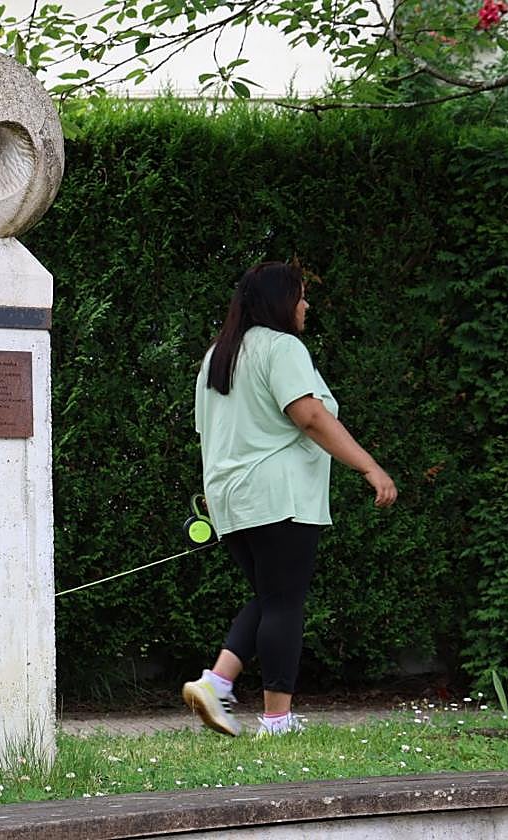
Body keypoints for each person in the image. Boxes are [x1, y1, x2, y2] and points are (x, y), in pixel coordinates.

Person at [182, 261, 397, 737]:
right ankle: (277, 720)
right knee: (284, 604)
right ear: (280, 302)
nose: (306, 304)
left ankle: (216, 682)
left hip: (230, 499)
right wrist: (369, 466)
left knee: (272, 596)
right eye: (300, 296)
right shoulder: (282, 349)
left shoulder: (218, 355)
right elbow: (310, 416)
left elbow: (209, 431)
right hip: (280, 496)